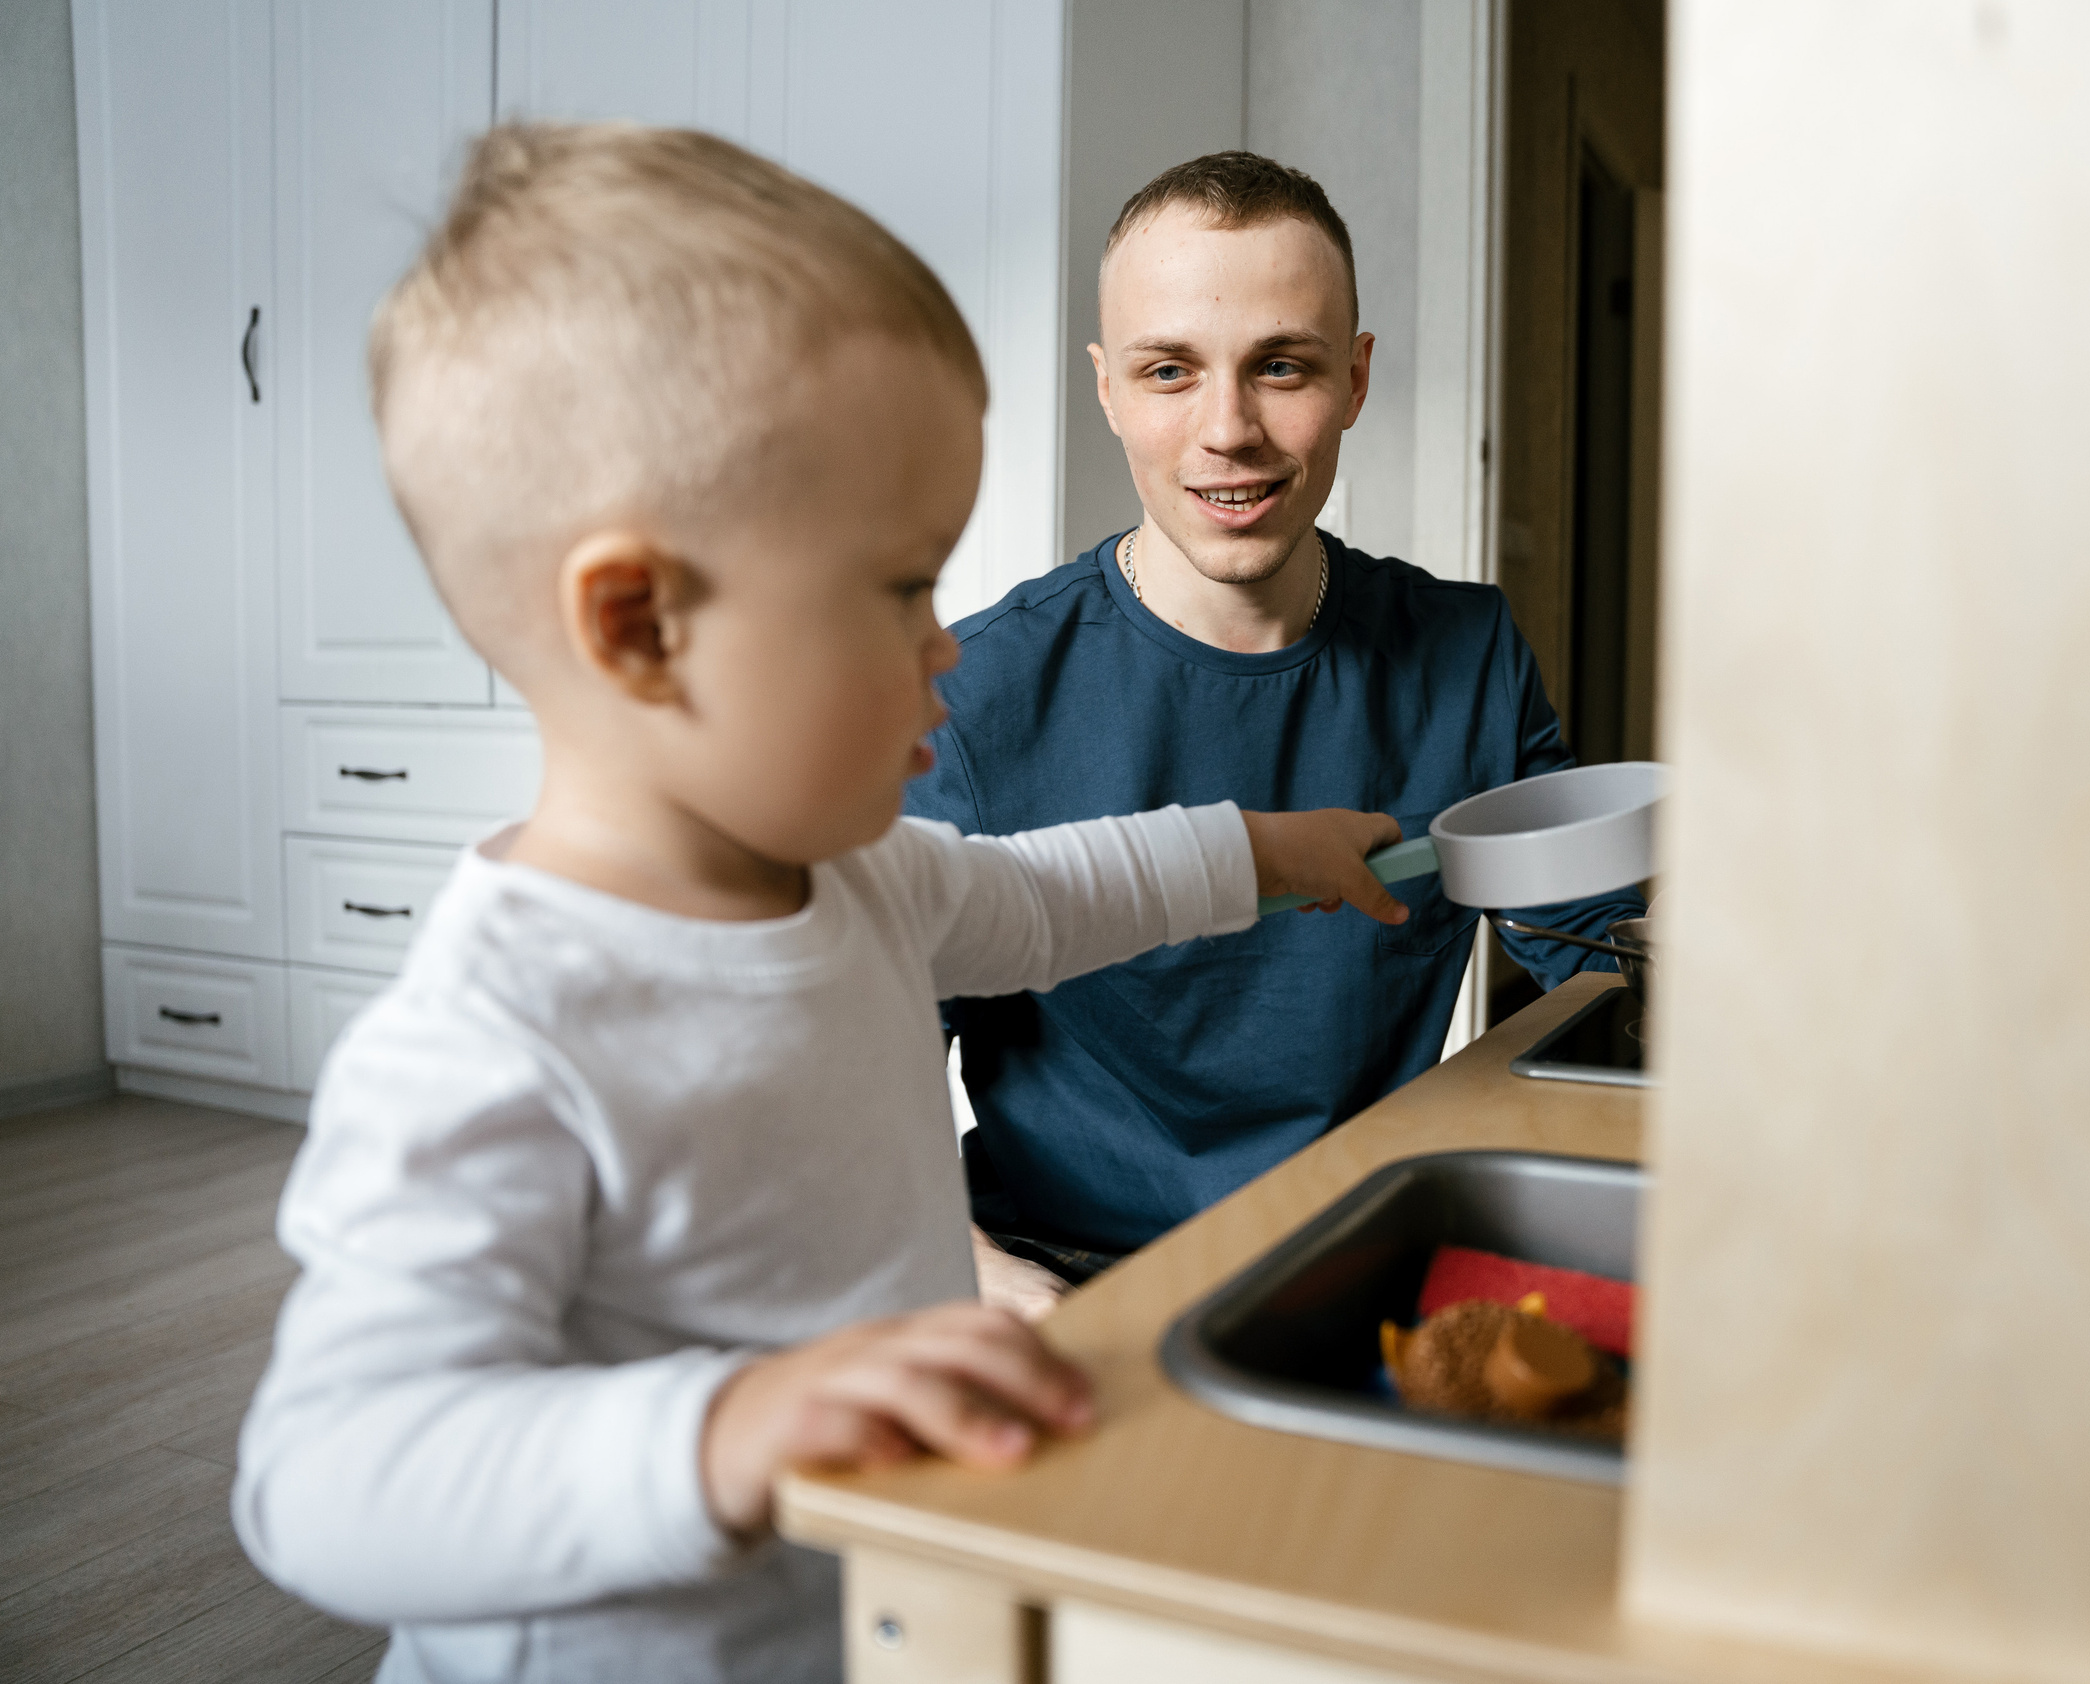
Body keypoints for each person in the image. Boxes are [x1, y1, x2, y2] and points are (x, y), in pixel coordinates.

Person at [230, 124, 1408, 1684]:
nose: (946, 643)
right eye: (899, 586)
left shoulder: (859, 879)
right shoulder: (494, 1037)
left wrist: (1260, 847)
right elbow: (323, 1479)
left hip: (856, 1619)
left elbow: (1047, 895)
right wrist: (724, 1426)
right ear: (641, 627)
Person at [909, 153, 1644, 1292]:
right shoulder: (971, 697)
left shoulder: (1469, 658)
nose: (1228, 429)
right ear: (1106, 388)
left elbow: (1605, 961)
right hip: (1059, 1272)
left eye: (1282, 367)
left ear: (1352, 380)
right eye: (1169, 371)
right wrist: (985, 1280)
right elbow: (859, 1058)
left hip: (1358, 1252)